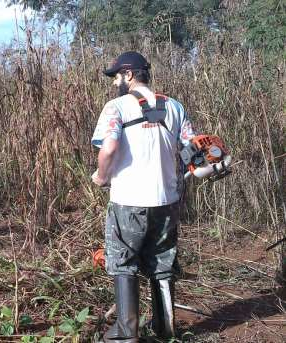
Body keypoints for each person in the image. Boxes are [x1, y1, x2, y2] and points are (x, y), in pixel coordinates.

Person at [90, 51, 195, 343]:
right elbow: (193, 149)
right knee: (162, 264)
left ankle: (126, 333)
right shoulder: (174, 106)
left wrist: (101, 177)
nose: (114, 83)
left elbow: (108, 149)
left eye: (116, 77)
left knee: (124, 263)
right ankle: (165, 329)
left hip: (129, 201)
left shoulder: (117, 107)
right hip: (166, 202)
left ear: (129, 74)